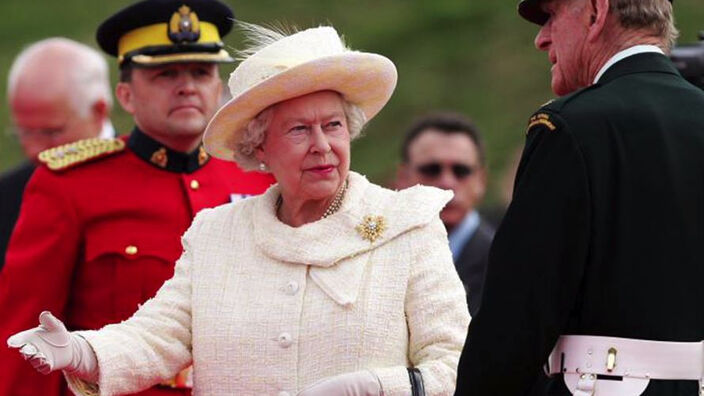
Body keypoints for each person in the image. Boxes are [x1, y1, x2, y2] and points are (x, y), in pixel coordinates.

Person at [7, 23, 470, 396]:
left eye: (333, 126)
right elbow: (157, 336)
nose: (322, 146)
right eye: (298, 131)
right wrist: (81, 350)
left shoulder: (408, 225)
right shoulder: (216, 234)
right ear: (259, 148)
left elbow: (459, 364)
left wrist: (378, 387)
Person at [0, 1, 275, 395]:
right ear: (126, 96)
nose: (187, 86)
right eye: (165, 74)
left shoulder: (257, 180)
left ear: (219, 87)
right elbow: (25, 333)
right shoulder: (70, 185)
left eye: (201, 72)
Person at [455, 0, 704, 395]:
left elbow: (517, 319)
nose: (541, 38)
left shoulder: (571, 127)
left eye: (550, 16)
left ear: (595, 12)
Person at [0, 37, 115, 271]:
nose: (34, 150)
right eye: (23, 132)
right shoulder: (6, 199)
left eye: (50, 132)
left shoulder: (149, 177)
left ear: (99, 112)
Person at [396, 113, 494, 317]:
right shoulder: (378, 257)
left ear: (481, 181)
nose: (447, 183)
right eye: (431, 170)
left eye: (461, 170)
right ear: (403, 177)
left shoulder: (506, 264)